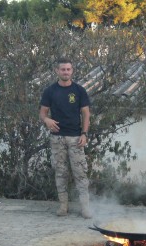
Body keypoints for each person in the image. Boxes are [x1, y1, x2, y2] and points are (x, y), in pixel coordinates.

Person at [39, 57, 92, 219]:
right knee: (60, 172)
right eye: (63, 69)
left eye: (68, 69)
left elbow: (86, 114)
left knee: (80, 173)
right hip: (57, 139)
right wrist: (47, 120)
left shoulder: (79, 91)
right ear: (57, 71)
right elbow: (42, 113)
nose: (66, 72)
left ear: (72, 71)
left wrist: (84, 134)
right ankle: (63, 206)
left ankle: (85, 208)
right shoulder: (50, 91)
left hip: (76, 138)